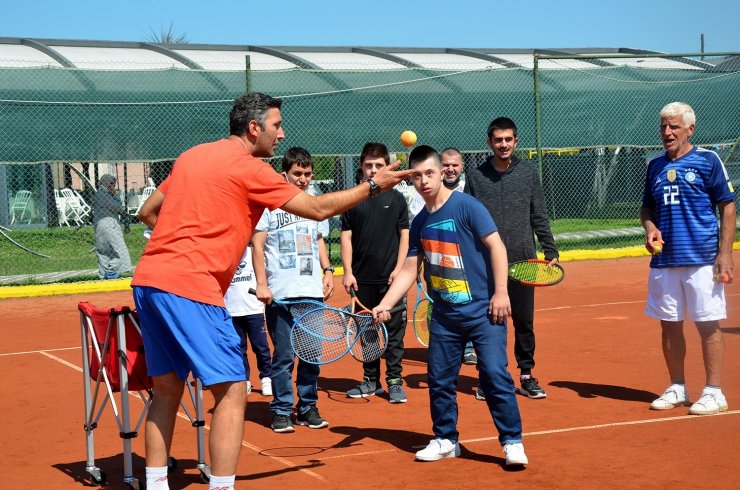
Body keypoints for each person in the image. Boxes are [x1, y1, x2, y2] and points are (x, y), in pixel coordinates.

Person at [132, 92, 412, 490]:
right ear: (254, 128)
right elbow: (318, 210)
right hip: (191, 286)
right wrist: (373, 186)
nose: (282, 134)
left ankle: (157, 485)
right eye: (277, 125)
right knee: (231, 390)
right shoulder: (251, 168)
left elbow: (148, 213)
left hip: (149, 281)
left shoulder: (192, 155)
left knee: (165, 389)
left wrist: (185, 236)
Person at [372, 145, 528, 466]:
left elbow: (496, 246)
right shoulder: (419, 223)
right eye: (417, 176)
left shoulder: (468, 207)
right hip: (444, 317)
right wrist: (385, 303)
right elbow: (408, 269)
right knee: (440, 379)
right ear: (411, 180)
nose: (424, 181)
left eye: (429, 173)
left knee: (494, 375)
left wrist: (501, 292)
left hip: (484, 311)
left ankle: (511, 441)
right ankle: (445, 439)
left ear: (442, 172)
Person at [640, 102, 735, 416]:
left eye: (674, 127)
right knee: (669, 326)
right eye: (664, 127)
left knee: (708, 324)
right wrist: (651, 229)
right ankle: (678, 386)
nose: (667, 133)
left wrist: (725, 255)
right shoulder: (654, 165)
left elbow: (728, 206)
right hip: (665, 262)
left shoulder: (708, 160)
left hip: (702, 259)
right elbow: (647, 209)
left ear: (690, 129)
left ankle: (714, 391)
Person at [464, 117, 559, 400]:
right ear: (489, 143)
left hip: (524, 263)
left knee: (524, 322)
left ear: (516, 141)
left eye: (508, 139)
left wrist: (550, 249)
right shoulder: (477, 176)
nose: (503, 144)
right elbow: (468, 221)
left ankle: (527, 375)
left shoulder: (529, 172)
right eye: (498, 140)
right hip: (487, 265)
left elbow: (538, 213)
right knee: (489, 322)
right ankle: (488, 376)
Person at [252, 147, 334, 433]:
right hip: (281, 295)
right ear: (284, 173)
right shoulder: (269, 206)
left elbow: (319, 240)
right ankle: (282, 410)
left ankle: (308, 407)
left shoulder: (313, 204)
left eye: (307, 174)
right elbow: (258, 246)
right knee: (285, 356)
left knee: (312, 356)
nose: (302, 179)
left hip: (312, 293)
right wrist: (262, 284)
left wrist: (328, 270)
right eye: (297, 174)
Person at [341, 142, 410, 403]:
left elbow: (404, 235)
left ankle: (394, 381)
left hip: (391, 280)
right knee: (367, 331)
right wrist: (347, 272)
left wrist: (399, 269)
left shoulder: (397, 198)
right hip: (362, 280)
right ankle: (371, 380)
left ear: (386, 166)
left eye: (379, 165)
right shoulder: (352, 198)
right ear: (361, 166)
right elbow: (345, 238)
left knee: (393, 334)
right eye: (369, 165)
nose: (373, 170)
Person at [224, 244, 273, 397]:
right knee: (239, 349)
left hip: (254, 310)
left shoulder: (254, 252)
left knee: (261, 347)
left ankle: (267, 378)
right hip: (232, 309)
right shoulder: (224, 253)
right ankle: (244, 380)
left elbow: (264, 277)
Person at [91, 174, 132, 279]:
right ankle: (111, 272)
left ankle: (103, 275)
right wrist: (115, 195)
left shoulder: (99, 195)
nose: (113, 186)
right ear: (106, 183)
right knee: (119, 250)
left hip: (99, 226)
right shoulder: (102, 195)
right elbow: (117, 207)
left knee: (104, 251)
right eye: (111, 183)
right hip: (109, 225)